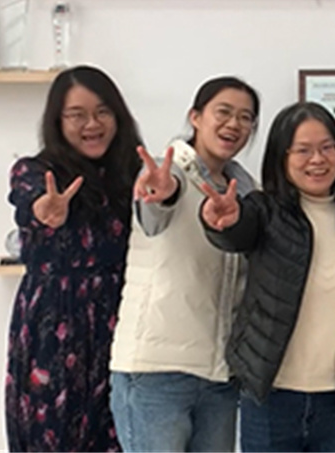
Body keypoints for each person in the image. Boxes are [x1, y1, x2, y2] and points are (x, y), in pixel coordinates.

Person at [199, 101, 335, 452]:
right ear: (282, 157)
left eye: (327, 148)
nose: (317, 160)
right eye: (303, 150)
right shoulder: (263, 211)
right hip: (271, 398)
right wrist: (222, 222)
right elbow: (236, 234)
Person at [108, 77, 260, 452]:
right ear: (196, 117)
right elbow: (156, 207)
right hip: (157, 373)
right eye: (223, 112)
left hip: (220, 376)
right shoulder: (167, 173)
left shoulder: (246, 192)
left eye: (245, 118)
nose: (234, 124)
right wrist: (161, 195)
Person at [5, 65, 143, 452]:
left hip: (122, 326)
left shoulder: (132, 175)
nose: (92, 124)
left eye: (102, 112)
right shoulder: (35, 171)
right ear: (58, 120)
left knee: (120, 437)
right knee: (54, 437)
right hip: (55, 327)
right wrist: (44, 210)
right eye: (77, 115)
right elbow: (30, 200)